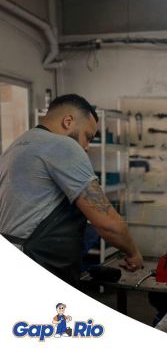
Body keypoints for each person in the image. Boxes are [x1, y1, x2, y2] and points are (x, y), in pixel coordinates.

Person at [0, 94, 143, 287]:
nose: (86, 147)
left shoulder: (17, 145)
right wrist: (133, 253)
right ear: (68, 121)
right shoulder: (63, 146)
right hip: (38, 265)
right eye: (87, 137)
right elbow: (108, 223)